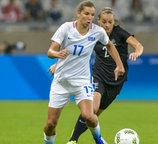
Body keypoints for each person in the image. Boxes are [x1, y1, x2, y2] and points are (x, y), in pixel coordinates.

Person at [43, 1, 125, 144]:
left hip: (82, 81)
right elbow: (50, 51)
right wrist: (57, 55)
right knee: (50, 124)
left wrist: (119, 65)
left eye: (92, 15)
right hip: (61, 82)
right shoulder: (66, 28)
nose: (89, 17)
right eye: (86, 13)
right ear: (79, 14)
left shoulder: (97, 31)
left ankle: (98, 138)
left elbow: (110, 45)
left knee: (88, 115)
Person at [64, 6, 144, 144]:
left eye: (110, 22)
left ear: (114, 22)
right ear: (98, 21)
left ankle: (97, 138)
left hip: (116, 82)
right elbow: (75, 47)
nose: (107, 25)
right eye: (104, 22)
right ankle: (73, 140)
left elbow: (138, 45)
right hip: (98, 76)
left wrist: (137, 52)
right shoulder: (93, 32)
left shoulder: (120, 33)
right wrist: (58, 63)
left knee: (92, 118)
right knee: (91, 109)